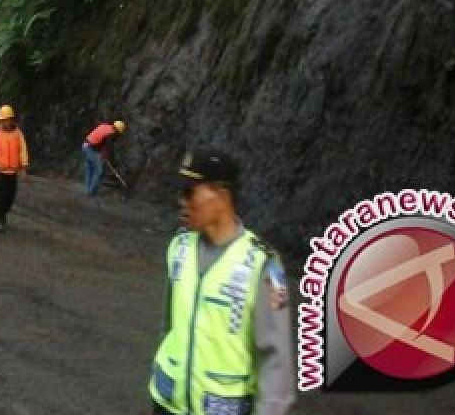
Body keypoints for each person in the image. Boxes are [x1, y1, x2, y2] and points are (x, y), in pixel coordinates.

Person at [148, 149, 295, 415]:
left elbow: (277, 361)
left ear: (221, 194)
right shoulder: (179, 248)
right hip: (168, 405)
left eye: (189, 192)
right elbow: (168, 325)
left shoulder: (263, 265)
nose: (181, 201)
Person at [0, 104, 29, 233]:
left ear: (11, 119)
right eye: (1, 120)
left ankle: (3, 212)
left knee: (10, 197)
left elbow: (23, 150)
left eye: (5, 120)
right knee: (1, 197)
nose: (3, 122)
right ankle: (0, 220)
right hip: (0, 171)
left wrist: (24, 167)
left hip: (13, 172)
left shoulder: (18, 134)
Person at [81, 118, 125, 195]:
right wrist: (113, 162)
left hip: (85, 146)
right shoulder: (111, 134)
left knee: (90, 170)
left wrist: (103, 154)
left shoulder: (105, 126)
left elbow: (100, 141)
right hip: (91, 149)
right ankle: (91, 192)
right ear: (118, 131)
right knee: (99, 171)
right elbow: (109, 148)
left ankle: (88, 190)